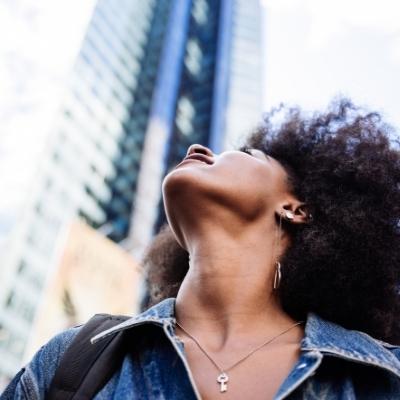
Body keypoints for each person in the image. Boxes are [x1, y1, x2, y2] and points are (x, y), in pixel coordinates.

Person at [3, 100, 400, 399]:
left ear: (295, 209)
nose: (198, 147)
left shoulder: (386, 375)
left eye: (247, 154)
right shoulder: (71, 359)